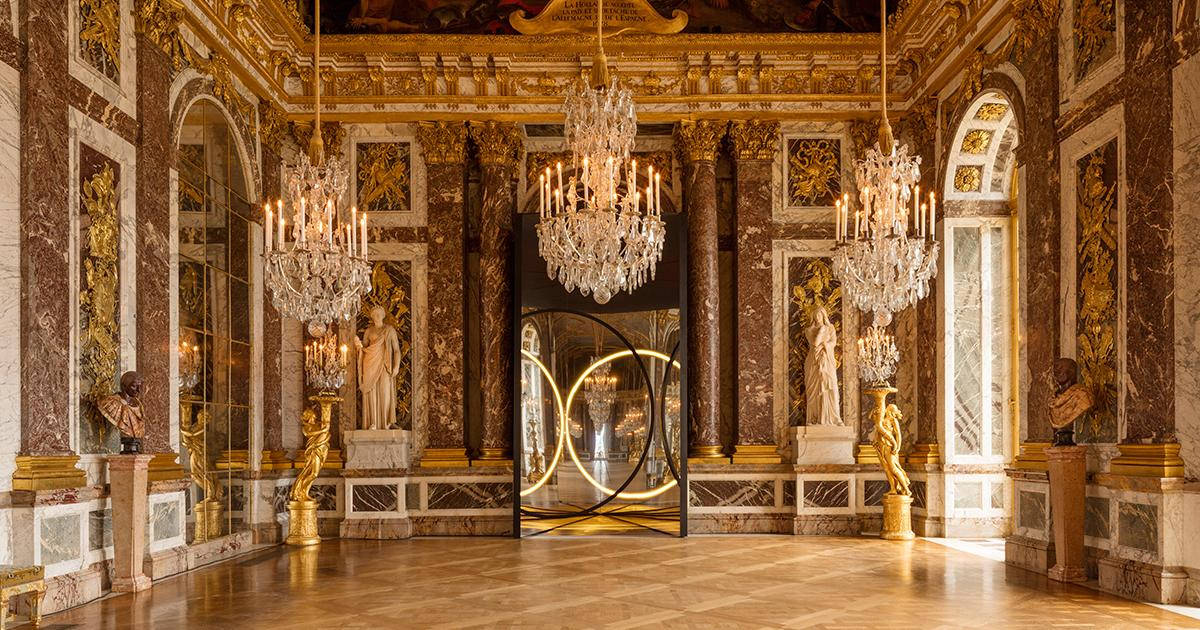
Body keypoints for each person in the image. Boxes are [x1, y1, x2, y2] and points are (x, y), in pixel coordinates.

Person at [355, 306, 402, 430]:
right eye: (374, 314)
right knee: (372, 392)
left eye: (378, 314)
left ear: (383, 315)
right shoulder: (369, 331)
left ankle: (386, 422)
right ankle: (373, 422)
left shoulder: (389, 330)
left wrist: (396, 366)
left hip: (385, 364)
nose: (376, 316)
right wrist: (358, 345)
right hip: (370, 364)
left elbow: (396, 350)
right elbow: (364, 349)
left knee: (385, 392)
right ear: (371, 316)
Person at [804, 305, 842, 425]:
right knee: (814, 392)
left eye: (819, 315)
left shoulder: (830, 328)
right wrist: (821, 331)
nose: (817, 317)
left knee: (831, 387)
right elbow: (815, 343)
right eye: (815, 315)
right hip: (813, 362)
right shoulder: (809, 330)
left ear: (824, 315)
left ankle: (834, 418)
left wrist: (826, 344)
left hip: (827, 360)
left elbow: (834, 342)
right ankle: (814, 418)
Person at [97, 371, 145, 454]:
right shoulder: (111, 403)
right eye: (134, 386)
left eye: (139, 386)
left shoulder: (139, 405)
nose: (138, 390)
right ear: (124, 386)